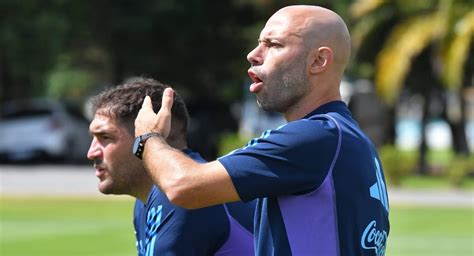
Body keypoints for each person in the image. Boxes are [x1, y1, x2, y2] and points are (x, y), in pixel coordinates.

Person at [135, 5, 389, 256]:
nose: (254, 54)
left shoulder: (315, 138)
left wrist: (148, 137)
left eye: (274, 44)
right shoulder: (348, 138)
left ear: (318, 60)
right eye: (259, 43)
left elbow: (183, 187)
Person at [87, 78, 255, 255]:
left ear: (153, 136)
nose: (91, 152)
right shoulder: (147, 201)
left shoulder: (185, 197)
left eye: (105, 137)